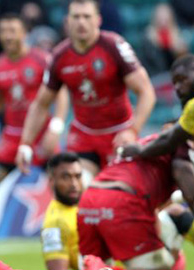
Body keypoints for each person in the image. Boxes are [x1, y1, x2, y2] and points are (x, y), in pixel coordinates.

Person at [15, 0, 156, 178]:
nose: (81, 22)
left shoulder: (114, 46)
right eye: (76, 17)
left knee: (119, 195)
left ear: (98, 20)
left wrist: (133, 130)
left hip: (119, 135)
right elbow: (41, 104)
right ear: (67, 22)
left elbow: (146, 92)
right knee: (78, 188)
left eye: (87, 17)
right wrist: (25, 144)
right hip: (83, 136)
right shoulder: (59, 56)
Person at [0, 14, 67, 214]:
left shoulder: (42, 60)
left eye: (12, 31)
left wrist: (56, 128)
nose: (7, 36)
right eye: (3, 31)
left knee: (65, 190)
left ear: (25, 34)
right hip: (12, 136)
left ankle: (73, 236)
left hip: (42, 134)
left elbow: (60, 94)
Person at [76, 132, 194, 270]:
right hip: (122, 201)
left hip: (89, 199)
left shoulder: (150, 140)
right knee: (160, 266)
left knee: (92, 263)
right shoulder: (182, 147)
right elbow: (191, 195)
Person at [119, 54, 194, 159]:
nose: (178, 87)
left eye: (183, 79)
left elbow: (169, 140)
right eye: (175, 83)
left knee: (179, 157)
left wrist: (140, 150)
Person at [40, 153, 83, 270]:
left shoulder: (87, 206)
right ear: (51, 181)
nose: (74, 184)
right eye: (66, 177)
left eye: (77, 176)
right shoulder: (54, 223)